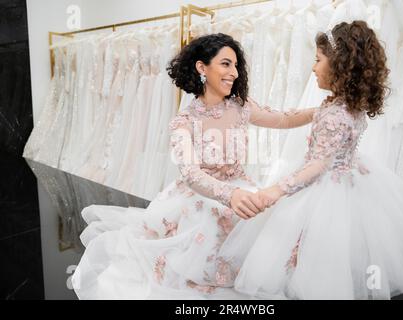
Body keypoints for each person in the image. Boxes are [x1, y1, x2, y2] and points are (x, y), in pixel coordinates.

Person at [71, 33, 316, 299]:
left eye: (236, 65)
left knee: (272, 229)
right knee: (210, 239)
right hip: (200, 197)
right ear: (202, 67)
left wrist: (323, 110)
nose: (234, 72)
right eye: (225, 64)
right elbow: (190, 173)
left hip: (241, 187)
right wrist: (228, 195)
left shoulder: (241, 107)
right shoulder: (183, 122)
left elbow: (283, 119)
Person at [218, 21, 403, 300]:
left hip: (325, 188)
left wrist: (275, 191)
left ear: (340, 65)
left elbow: (317, 166)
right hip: (349, 180)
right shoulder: (345, 105)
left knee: (312, 256)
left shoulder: (336, 113)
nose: (313, 68)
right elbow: (306, 124)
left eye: (317, 60)